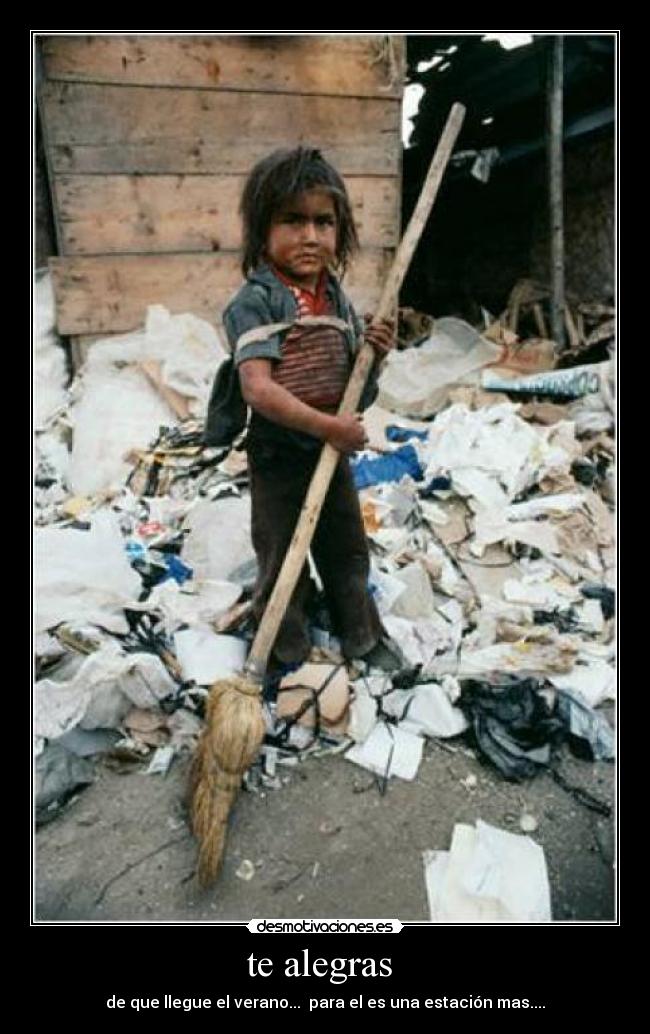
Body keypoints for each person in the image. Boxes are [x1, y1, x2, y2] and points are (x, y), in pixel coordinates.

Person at [222, 146, 400, 684]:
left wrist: (375, 355)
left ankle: (362, 635)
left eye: (324, 221)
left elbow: (355, 395)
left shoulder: (337, 301)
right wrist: (329, 428)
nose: (310, 236)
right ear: (261, 229)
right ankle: (282, 648)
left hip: (330, 447)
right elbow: (258, 390)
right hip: (280, 453)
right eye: (292, 220)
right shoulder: (255, 302)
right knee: (282, 557)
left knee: (347, 548)